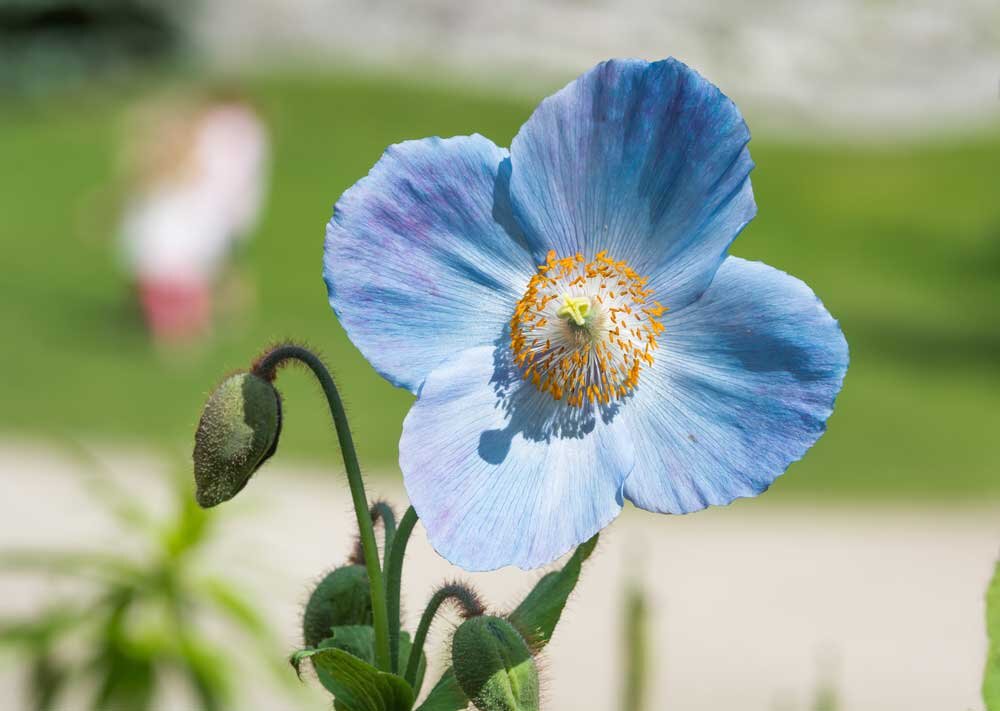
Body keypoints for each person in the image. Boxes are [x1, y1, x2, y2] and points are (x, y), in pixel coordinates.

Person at [119, 90, 269, 346]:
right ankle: (177, 324)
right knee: (180, 271)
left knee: (195, 271)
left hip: (194, 220)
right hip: (189, 219)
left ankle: (188, 324)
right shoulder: (209, 140)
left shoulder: (207, 145)